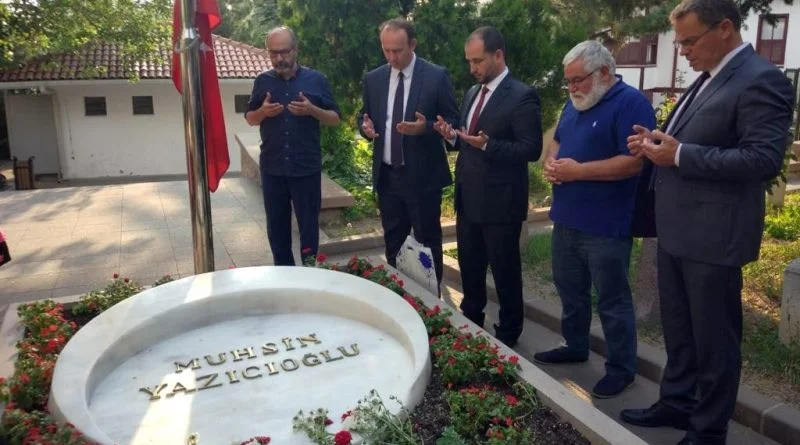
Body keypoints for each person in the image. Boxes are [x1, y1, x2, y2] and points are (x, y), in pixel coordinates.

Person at [620, 1, 795, 443]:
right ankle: (677, 404)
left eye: (690, 41)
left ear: (725, 28)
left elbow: (762, 159)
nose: (683, 51)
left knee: (715, 340)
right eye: (680, 43)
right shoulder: (708, 77)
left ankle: (708, 429)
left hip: (715, 236)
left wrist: (679, 154)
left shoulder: (762, 79)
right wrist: (656, 143)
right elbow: (694, 140)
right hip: (677, 230)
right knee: (679, 330)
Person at [532, 41, 656, 399]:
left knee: (612, 299)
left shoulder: (631, 103)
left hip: (606, 224)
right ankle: (575, 345)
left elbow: (634, 162)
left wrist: (578, 171)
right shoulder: (574, 104)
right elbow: (558, 140)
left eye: (578, 80)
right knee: (570, 289)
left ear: (604, 72)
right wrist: (552, 163)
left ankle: (621, 369)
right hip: (566, 218)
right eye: (568, 81)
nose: (572, 88)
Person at [433, 26, 542, 347]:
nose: (472, 68)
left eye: (478, 61)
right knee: (470, 266)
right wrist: (452, 136)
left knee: (505, 272)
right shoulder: (472, 93)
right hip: (468, 198)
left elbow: (531, 148)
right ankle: (471, 322)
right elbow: (468, 140)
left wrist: (489, 146)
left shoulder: (522, 95)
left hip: (501, 203)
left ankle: (509, 333)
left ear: (498, 55)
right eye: (469, 61)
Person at [358, 18, 459, 289]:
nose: (392, 57)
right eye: (386, 50)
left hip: (423, 178)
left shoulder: (436, 76)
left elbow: (452, 121)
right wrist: (364, 127)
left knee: (427, 245)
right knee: (394, 244)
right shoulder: (374, 79)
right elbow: (364, 116)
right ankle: (399, 299)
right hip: (388, 177)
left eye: (398, 51)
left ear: (413, 44)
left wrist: (426, 127)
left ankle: (431, 304)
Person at [245, 26, 340, 266]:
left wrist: (312, 110)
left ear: (296, 50)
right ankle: (284, 276)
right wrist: (263, 112)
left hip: (305, 169)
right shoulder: (262, 82)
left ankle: (309, 276)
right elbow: (250, 118)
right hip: (273, 169)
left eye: (284, 52)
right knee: (277, 232)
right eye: (273, 53)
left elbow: (335, 118)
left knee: (308, 231)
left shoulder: (317, 80)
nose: (279, 58)